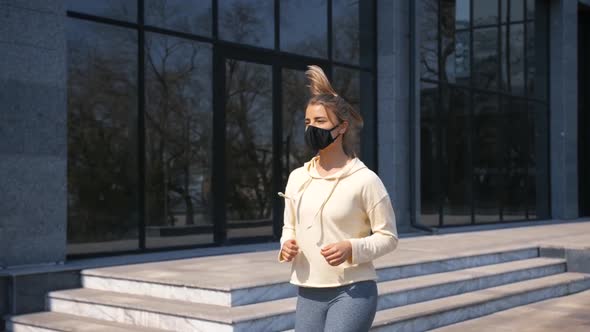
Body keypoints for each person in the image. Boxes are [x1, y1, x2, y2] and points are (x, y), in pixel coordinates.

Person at [277, 65, 399, 332]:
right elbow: (290, 227)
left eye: (320, 122)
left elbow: (389, 237)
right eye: (308, 122)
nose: (311, 128)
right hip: (308, 289)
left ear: (342, 127)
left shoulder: (365, 180)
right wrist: (286, 245)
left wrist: (351, 248)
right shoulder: (297, 177)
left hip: (353, 290)